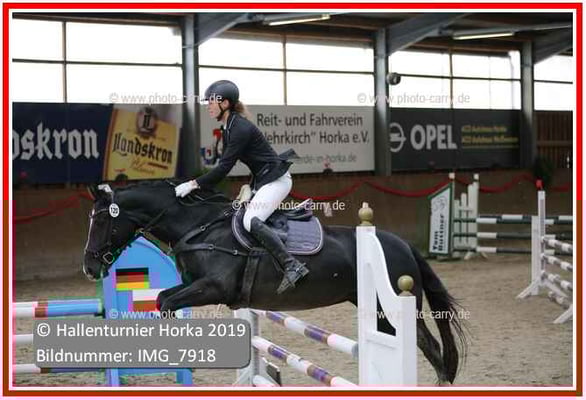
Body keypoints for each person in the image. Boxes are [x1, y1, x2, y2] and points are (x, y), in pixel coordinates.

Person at [175, 80, 309, 294]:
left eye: (211, 102)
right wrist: (251, 187)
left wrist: (193, 184)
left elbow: (223, 169)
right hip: (263, 181)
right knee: (235, 216)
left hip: (277, 180)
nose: (208, 106)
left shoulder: (239, 128)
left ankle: (292, 265)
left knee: (250, 220)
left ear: (225, 103)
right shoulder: (228, 127)